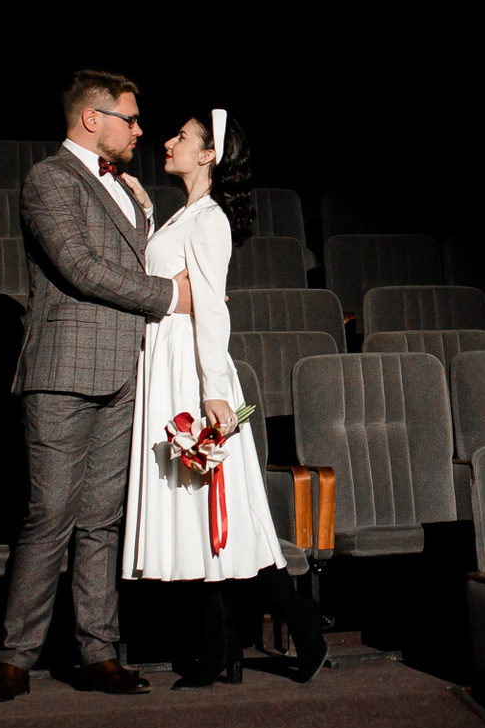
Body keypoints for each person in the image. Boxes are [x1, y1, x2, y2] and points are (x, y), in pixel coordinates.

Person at [0, 70, 198, 702]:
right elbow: (79, 267)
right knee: (50, 515)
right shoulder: (49, 178)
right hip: (65, 372)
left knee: (101, 521)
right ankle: (14, 659)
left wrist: (149, 218)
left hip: (126, 370)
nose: (140, 130)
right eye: (130, 118)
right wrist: (168, 297)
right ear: (92, 119)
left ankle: (98, 653)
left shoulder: (127, 186)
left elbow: (132, 257)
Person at [121, 109, 329, 687]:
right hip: (171, 366)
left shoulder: (211, 219)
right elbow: (168, 270)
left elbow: (211, 306)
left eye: (182, 137)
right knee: (198, 511)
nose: (168, 141)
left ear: (208, 153)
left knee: (221, 509)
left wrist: (214, 391)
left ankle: (292, 623)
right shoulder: (185, 214)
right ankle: (223, 646)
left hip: (194, 373)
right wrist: (146, 212)